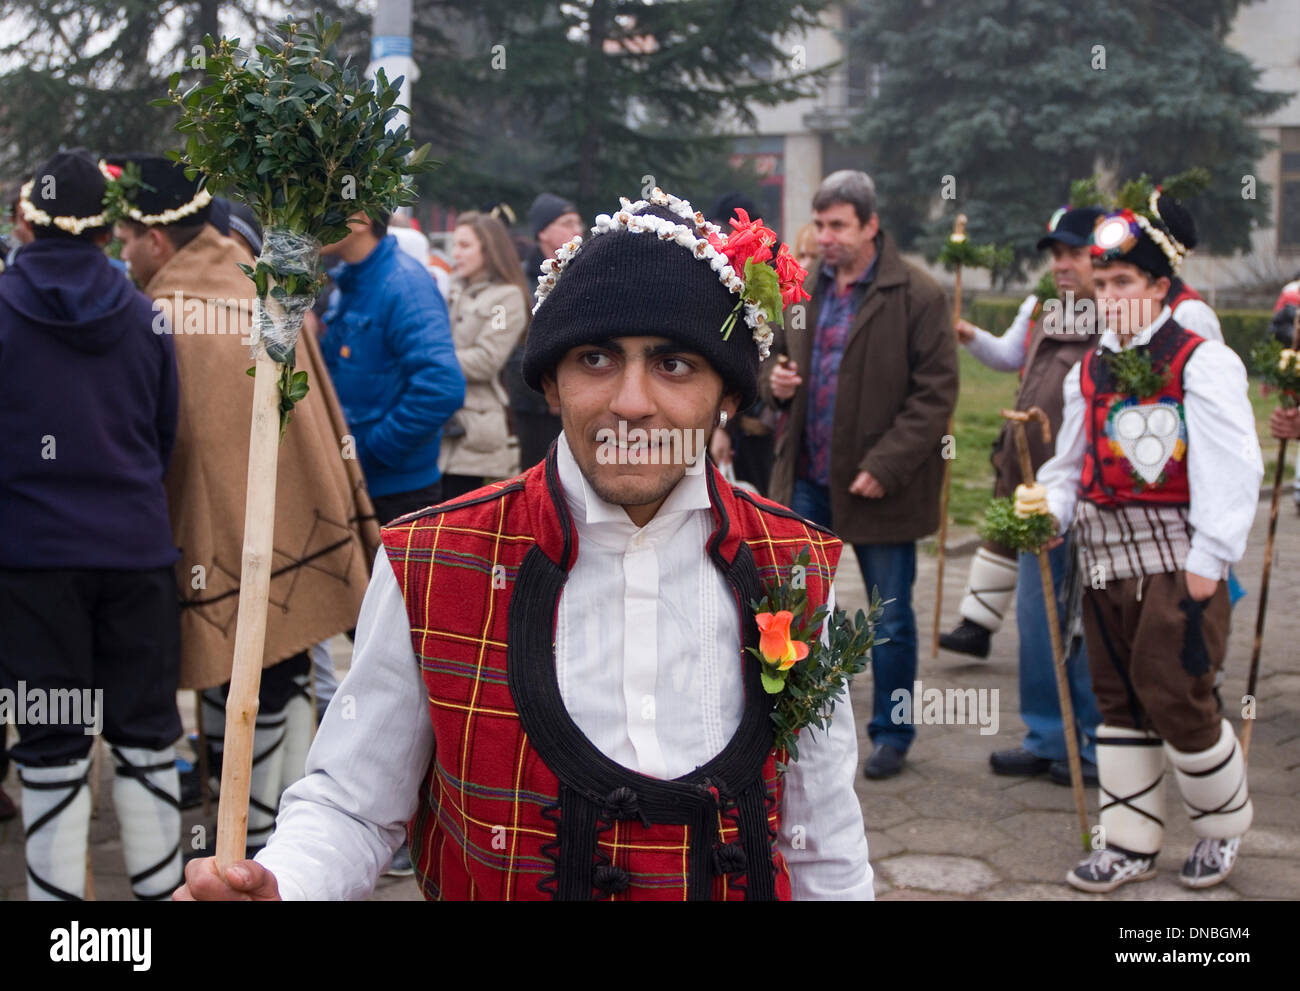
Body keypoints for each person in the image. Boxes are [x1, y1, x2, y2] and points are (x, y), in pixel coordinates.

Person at [175, 187, 873, 902]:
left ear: (727, 395)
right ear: (551, 383)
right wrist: (284, 884)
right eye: (596, 359)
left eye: (674, 365)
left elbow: (823, 841)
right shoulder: (432, 560)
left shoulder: (791, 563)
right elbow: (354, 804)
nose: (631, 402)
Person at [111, 154, 382, 852]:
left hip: (221, 548)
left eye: (128, 237)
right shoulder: (265, 291)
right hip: (298, 532)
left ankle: (252, 847)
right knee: (284, 675)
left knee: (241, 677)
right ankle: (277, 841)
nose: (123, 251)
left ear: (157, 239)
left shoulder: (164, 316)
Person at [1034, 192, 1262, 892]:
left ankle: (1221, 827)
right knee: (1117, 697)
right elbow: (1068, 466)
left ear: (1159, 287)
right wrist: (1046, 509)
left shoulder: (1201, 361)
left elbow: (1234, 464)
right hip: (1103, 561)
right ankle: (1131, 843)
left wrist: (1210, 559)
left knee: (1175, 691)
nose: (1110, 297)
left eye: (1124, 282)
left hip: (1175, 558)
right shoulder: (1087, 371)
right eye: (1102, 284)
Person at [0, 149, 182, 900]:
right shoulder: (146, 314)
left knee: (49, 743)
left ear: (25, 224)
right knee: (147, 736)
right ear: (108, 232)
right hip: (135, 550)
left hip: (31, 561)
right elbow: (163, 435)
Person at [764, 170, 959, 780]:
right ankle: (787, 723)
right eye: (820, 225)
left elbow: (935, 395)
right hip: (806, 477)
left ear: (871, 225)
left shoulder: (918, 295)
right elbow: (776, 358)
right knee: (792, 608)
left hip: (880, 487)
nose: (825, 237)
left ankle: (892, 733)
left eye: (838, 226)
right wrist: (776, 383)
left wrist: (886, 464)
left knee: (889, 619)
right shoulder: (803, 292)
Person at [938, 206, 1106, 786]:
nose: (1062, 265)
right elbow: (1012, 358)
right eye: (1056, 255)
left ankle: (1092, 746)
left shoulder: (1118, 319)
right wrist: (971, 337)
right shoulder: (1044, 310)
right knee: (1038, 625)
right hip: (1036, 488)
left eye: (1075, 254)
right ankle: (1046, 736)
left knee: (1082, 630)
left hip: (1088, 499)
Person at [320, 210, 465, 524]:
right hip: (357, 482)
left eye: (324, 205)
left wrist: (371, 453)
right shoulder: (351, 279)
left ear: (361, 219)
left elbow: (442, 387)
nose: (309, 217)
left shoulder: (404, 283)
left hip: (395, 496)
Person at [439, 211, 530, 499]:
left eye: (465, 245)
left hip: (473, 431)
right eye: (455, 245)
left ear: (489, 249)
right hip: (437, 424)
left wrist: (429, 360)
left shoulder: (507, 298)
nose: (456, 253)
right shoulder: (451, 286)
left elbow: (487, 360)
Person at [504, 193, 584, 469]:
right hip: (535, 406)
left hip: (579, 400)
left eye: (578, 222)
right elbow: (512, 348)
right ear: (542, 232)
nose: (577, 229)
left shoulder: (585, 274)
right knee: (539, 478)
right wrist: (545, 389)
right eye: (567, 222)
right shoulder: (520, 281)